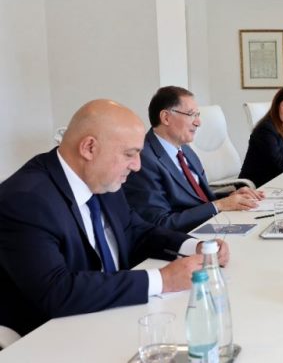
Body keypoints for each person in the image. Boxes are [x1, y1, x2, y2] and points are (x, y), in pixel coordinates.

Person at [0, 100, 230, 337]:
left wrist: (195, 247)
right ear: (89, 148)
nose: (137, 166)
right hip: (54, 335)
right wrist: (163, 279)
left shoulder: (102, 178)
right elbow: (56, 291)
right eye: (130, 154)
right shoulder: (25, 199)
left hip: (113, 315)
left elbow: (136, 231)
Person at [123, 86, 264, 232]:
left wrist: (231, 196)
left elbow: (199, 199)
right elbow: (160, 223)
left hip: (210, 226)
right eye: (191, 114)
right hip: (184, 238)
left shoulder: (185, 150)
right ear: (166, 117)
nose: (198, 122)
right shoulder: (144, 160)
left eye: (198, 115)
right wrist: (220, 205)